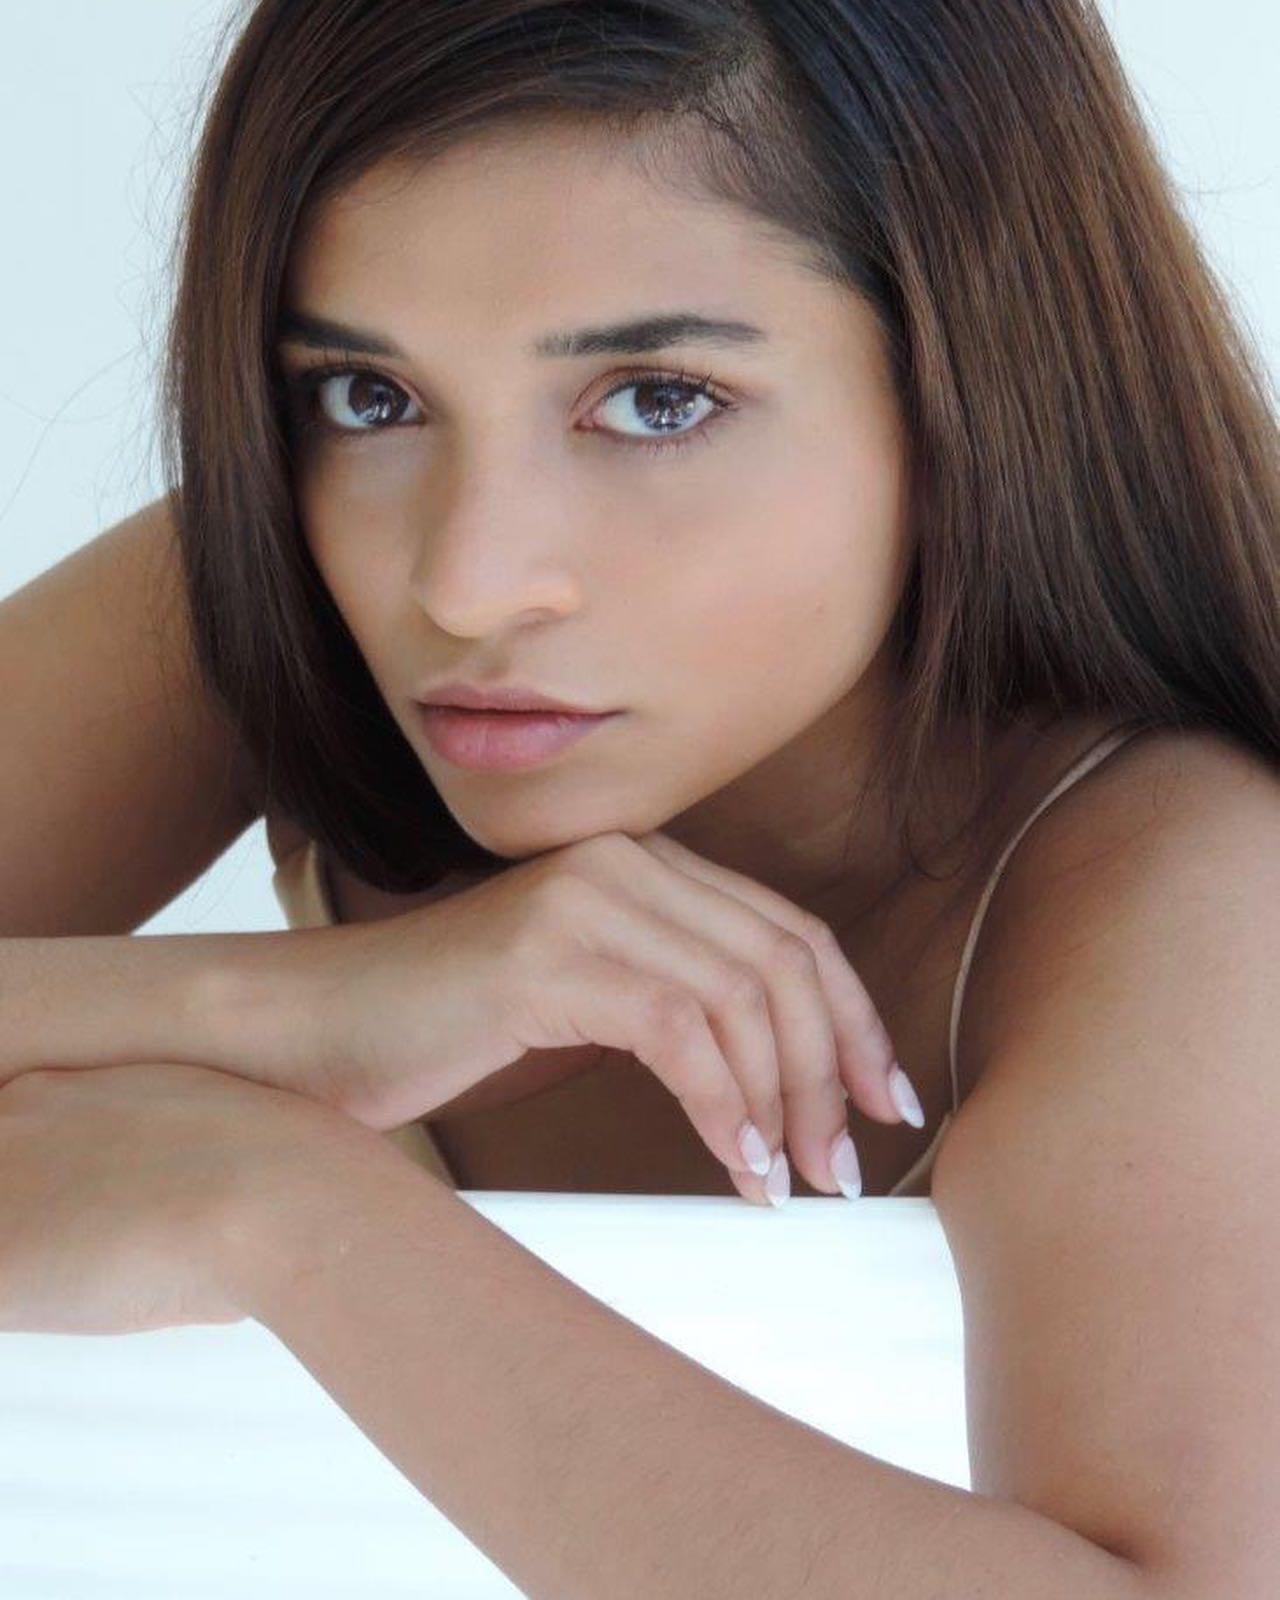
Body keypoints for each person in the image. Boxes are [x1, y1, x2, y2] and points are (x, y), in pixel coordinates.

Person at [3, 1, 1277, 1591]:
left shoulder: (1186, 887)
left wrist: (283, 1210)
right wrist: (318, 1011)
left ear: (980, 383)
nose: (466, 582)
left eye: (657, 400)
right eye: (369, 396)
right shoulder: (278, 602)